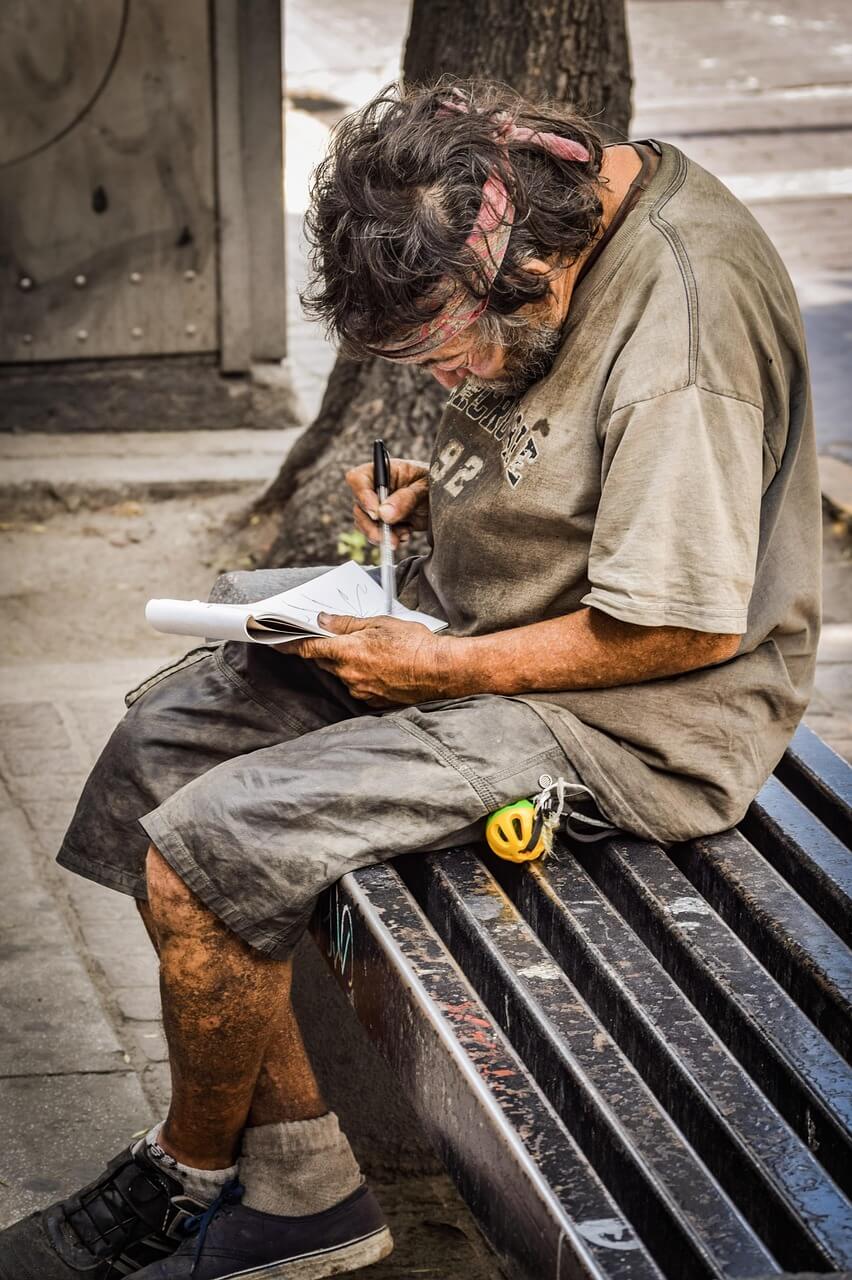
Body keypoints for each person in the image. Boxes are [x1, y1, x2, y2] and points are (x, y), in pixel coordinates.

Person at [0, 77, 820, 1279]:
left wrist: (442, 667)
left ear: (527, 271)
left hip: (633, 718)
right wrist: (452, 498)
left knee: (212, 849)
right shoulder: (540, 200)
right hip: (492, 632)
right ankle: (304, 1178)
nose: (443, 382)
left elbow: (679, 630)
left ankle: (193, 1172)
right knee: (159, 749)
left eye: (444, 351)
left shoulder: (684, 336)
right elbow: (577, 456)